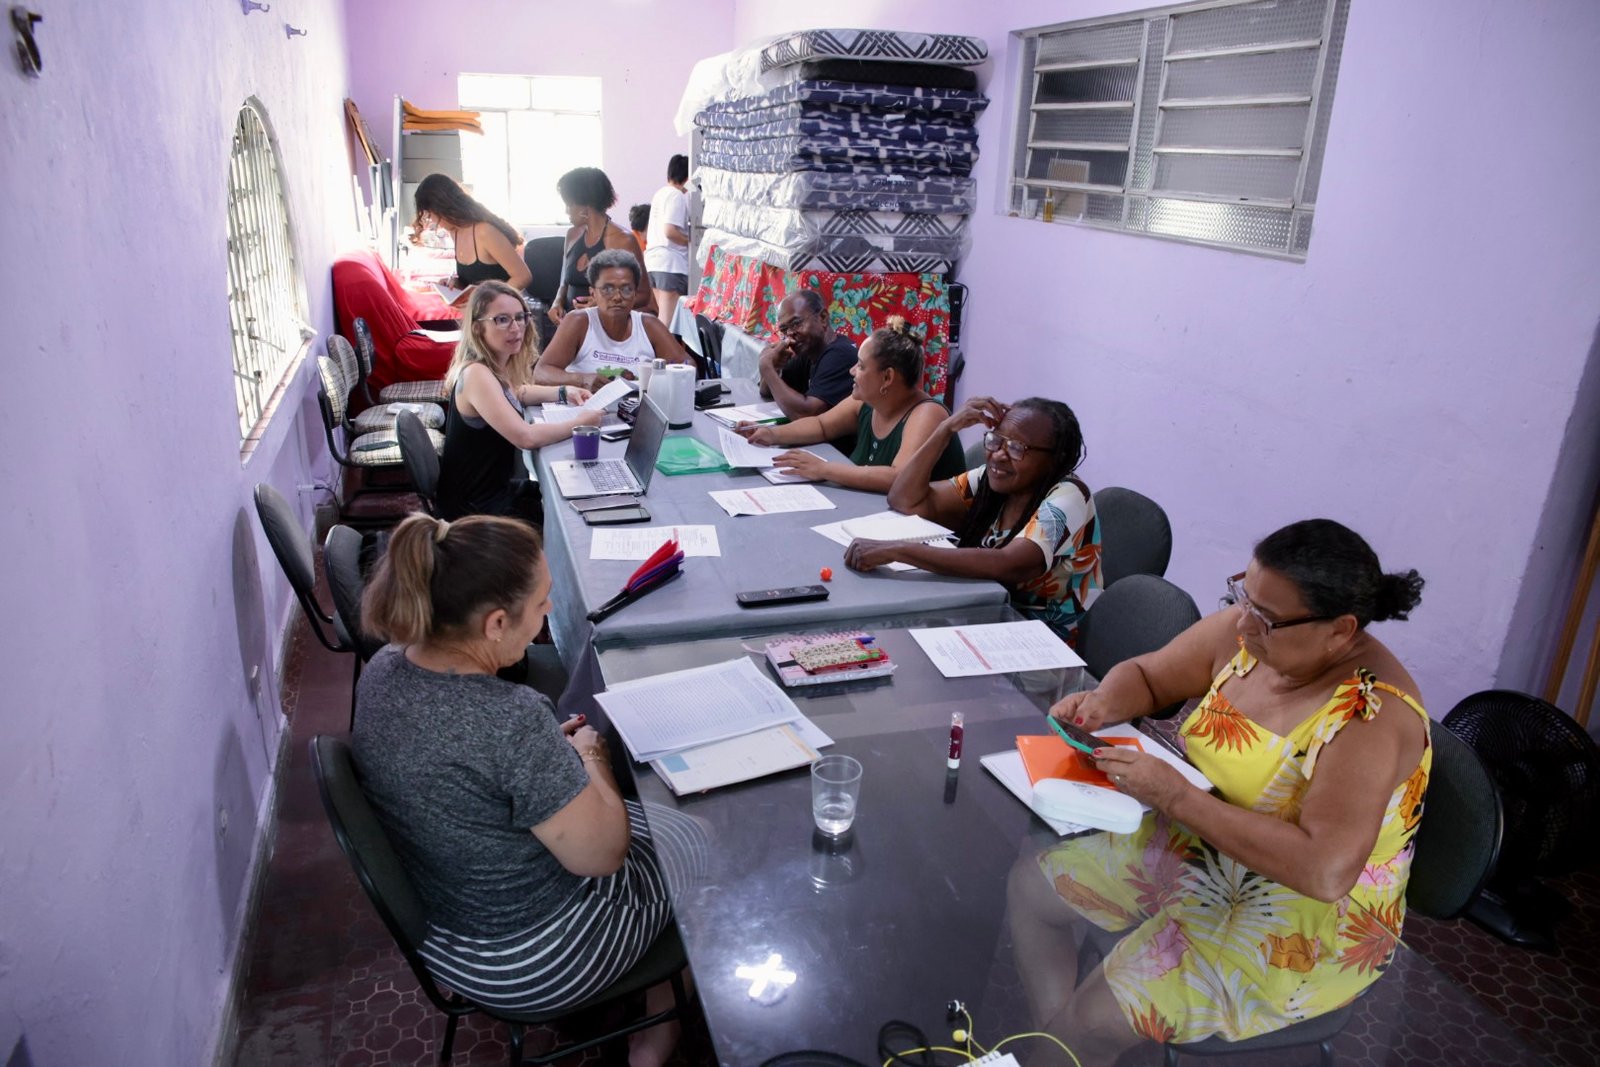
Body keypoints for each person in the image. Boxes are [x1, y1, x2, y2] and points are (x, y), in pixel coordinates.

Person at [1007, 520, 1430, 1064]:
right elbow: (1151, 676)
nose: (1245, 624)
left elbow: (1324, 871)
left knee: (1091, 1018)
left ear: (1341, 630)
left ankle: (1068, 1041)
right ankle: (1058, 1044)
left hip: (1296, 917)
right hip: (1202, 842)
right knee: (1030, 892)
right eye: (1243, 597)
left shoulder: (1368, 716)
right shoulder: (1247, 634)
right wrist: (1106, 704)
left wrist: (1178, 797)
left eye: (1268, 617)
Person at [351, 513, 681, 1066]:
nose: (549, 614)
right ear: (497, 623)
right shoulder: (510, 719)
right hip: (530, 959)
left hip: (449, 930)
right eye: (542, 603)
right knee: (710, 848)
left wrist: (543, 761)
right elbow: (603, 857)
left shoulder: (383, 670)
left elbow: (460, 760)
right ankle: (659, 1030)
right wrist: (592, 758)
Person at [845, 396, 1101, 642]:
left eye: (1016, 448)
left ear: (1054, 458)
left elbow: (1008, 564)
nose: (999, 455)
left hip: (1041, 644)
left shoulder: (1069, 497)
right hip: (981, 615)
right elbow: (904, 499)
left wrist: (899, 550)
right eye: (996, 440)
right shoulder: (991, 480)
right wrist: (945, 429)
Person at [734, 316, 965, 491]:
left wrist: (823, 468)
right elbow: (821, 425)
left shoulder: (926, 414)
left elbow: (899, 477)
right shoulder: (868, 402)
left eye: (861, 366)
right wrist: (770, 434)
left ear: (887, 378)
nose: (852, 371)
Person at [435, 281, 600, 522]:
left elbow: (517, 393)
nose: (516, 328)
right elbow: (526, 437)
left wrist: (564, 391)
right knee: (571, 514)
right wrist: (580, 424)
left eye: (520, 317)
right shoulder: (477, 375)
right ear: (478, 328)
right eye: (502, 320)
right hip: (475, 514)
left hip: (493, 494)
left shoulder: (491, 367)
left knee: (569, 496)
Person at [535, 249, 686, 393]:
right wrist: (581, 379)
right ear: (593, 293)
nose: (617, 297)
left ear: (635, 294)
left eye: (626, 289)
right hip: (585, 412)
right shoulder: (579, 322)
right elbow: (541, 373)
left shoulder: (649, 325)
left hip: (636, 412)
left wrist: (660, 379)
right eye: (607, 289)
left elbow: (686, 366)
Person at [550, 166, 653, 323]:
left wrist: (602, 303)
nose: (566, 211)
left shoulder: (623, 240)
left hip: (608, 327)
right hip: (572, 326)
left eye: (569, 205)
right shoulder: (572, 235)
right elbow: (564, 281)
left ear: (586, 208)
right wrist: (557, 303)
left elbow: (643, 295)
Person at [411, 173, 531, 299]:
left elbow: (523, 276)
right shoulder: (455, 232)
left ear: (442, 208)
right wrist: (456, 284)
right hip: (479, 314)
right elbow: (475, 282)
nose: (434, 222)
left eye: (431, 215)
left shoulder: (484, 232)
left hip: (501, 312)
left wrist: (486, 302)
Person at [757, 290, 859, 421]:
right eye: (784, 330)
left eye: (796, 324)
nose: (790, 335)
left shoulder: (841, 355)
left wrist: (766, 367)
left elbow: (806, 415)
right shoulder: (809, 350)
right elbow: (767, 392)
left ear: (822, 318)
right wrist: (774, 367)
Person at [644, 154, 691, 323]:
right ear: (687, 177)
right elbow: (670, 231)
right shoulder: (676, 196)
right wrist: (692, 242)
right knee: (667, 326)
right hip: (670, 265)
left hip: (653, 262)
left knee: (662, 321)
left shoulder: (660, 193)